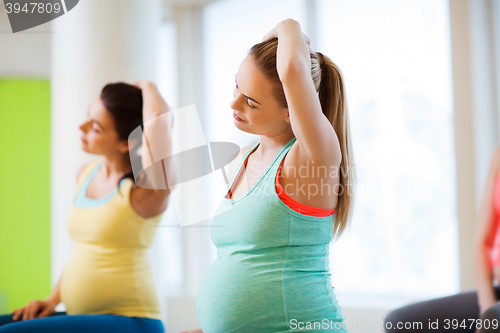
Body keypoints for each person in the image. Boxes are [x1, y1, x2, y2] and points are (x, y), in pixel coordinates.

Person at [182, 19, 355, 333]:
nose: (233, 103)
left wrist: (290, 28)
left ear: (291, 110)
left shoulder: (313, 159)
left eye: (250, 101)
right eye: (237, 85)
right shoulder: (242, 159)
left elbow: (291, 69)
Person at [0, 81, 172, 333]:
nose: (81, 127)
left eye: (95, 127)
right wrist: (51, 299)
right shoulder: (86, 173)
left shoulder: (146, 191)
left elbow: (158, 123)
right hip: (85, 315)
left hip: (132, 320)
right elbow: (85, 250)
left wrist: (147, 86)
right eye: (87, 116)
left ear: (126, 142)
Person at [384, 146, 500, 333]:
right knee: (400, 322)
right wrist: (486, 303)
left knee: (493, 321)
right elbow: (483, 242)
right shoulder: (498, 156)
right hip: (495, 294)